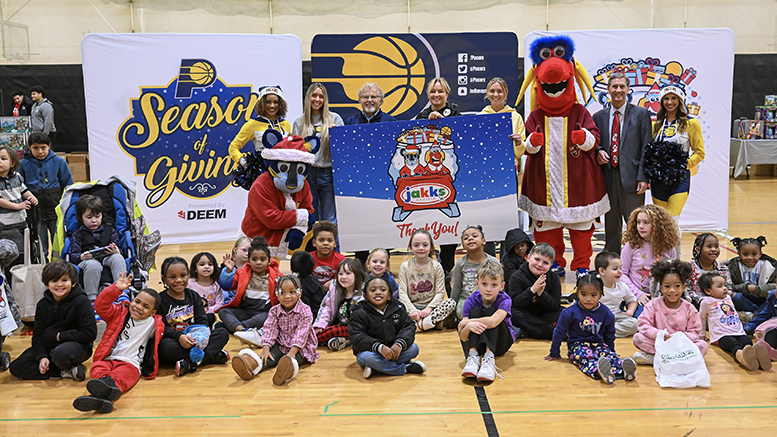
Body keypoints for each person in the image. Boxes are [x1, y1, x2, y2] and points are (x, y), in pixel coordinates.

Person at [72, 274, 164, 413]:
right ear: (132, 300)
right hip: (108, 359)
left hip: (130, 364)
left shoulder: (153, 324)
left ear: (153, 312)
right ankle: (105, 397)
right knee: (96, 368)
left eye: (145, 306)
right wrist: (115, 289)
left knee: (122, 378)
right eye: (137, 301)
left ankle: (100, 397)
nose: (139, 307)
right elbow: (100, 306)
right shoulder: (119, 313)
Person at [593, 72, 652, 254]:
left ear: (628, 90)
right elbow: (595, 143)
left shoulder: (641, 114)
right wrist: (598, 151)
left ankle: (639, 257)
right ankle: (612, 258)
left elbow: (647, 147)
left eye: (622, 86)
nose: (618, 90)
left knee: (636, 222)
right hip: (608, 177)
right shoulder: (598, 117)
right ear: (608, 90)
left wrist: (643, 177)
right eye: (614, 86)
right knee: (611, 223)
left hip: (633, 177)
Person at [9, 260, 95, 380]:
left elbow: (90, 333)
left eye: (64, 280)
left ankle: (62, 366)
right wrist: (42, 357)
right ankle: (65, 371)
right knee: (16, 367)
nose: (59, 284)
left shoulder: (82, 302)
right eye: (54, 281)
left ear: (73, 283)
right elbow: (38, 335)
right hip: (50, 346)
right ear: (47, 284)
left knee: (61, 355)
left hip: (77, 345)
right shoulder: (42, 304)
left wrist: (60, 336)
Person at [546, 273, 637, 384]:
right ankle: (600, 372)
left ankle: (625, 370)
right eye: (584, 294)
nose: (588, 299)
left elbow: (610, 335)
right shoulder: (569, 312)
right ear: (577, 293)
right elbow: (559, 333)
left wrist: (611, 351)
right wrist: (554, 353)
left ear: (601, 294)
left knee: (610, 357)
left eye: (593, 295)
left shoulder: (606, 313)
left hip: (599, 344)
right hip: (577, 345)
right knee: (587, 357)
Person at [414, 78, 461, 287]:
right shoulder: (420, 116)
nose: (436, 95)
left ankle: (448, 269)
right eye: (433, 92)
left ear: (447, 94)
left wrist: (443, 122)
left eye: (440, 91)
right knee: (429, 224)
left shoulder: (456, 113)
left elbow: (461, 136)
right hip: (427, 180)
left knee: (449, 229)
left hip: (449, 177)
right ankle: (430, 269)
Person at [649, 85, 706, 256]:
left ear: (680, 101)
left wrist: (683, 165)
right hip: (658, 181)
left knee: (672, 222)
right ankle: (663, 261)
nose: (669, 102)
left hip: (679, 180)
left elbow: (700, 152)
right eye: (666, 99)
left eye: (674, 98)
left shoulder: (691, 124)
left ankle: (677, 261)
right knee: (661, 223)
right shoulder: (655, 125)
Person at [231, 275, 319, 385]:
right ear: (277, 294)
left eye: (292, 292)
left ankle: (286, 372)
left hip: (301, 347)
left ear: (299, 293)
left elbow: (302, 333)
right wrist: (265, 348)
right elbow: (269, 329)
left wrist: (291, 353)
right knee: (268, 356)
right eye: (282, 293)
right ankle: (251, 367)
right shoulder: (274, 311)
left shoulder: (305, 311)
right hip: (282, 343)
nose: (287, 296)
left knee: (293, 360)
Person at [344, 82, 397, 264]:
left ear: (381, 101)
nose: (369, 100)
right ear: (359, 101)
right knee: (361, 226)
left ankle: (383, 265)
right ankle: (359, 266)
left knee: (384, 225)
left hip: (384, 184)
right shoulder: (349, 123)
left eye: (373, 96)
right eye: (365, 97)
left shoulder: (391, 122)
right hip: (358, 185)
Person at [157, 257, 230, 376]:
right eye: (172, 277)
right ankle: (210, 357)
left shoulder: (194, 296)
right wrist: (179, 337)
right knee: (165, 347)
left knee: (222, 333)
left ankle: (191, 362)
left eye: (183, 275)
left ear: (188, 276)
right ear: (164, 279)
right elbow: (162, 327)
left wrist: (198, 338)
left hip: (197, 339)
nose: (179, 280)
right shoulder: (160, 300)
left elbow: (202, 320)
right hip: (176, 340)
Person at [632, 259, 707, 365]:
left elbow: (694, 332)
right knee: (638, 338)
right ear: (661, 288)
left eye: (677, 286)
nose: (672, 290)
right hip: (660, 342)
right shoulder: (653, 304)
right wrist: (659, 334)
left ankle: (659, 359)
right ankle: (677, 360)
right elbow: (643, 325)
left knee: (702, 345)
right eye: (667, 286)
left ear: (683, 287)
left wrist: (680, 337)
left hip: (680, 344)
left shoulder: (689, 308)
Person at [350, 276, 426, 379]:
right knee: (366, 357)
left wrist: (399, 344)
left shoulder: (398, 308)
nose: (378, 292)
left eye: (382, 290)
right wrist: (379, 348)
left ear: (389, 295)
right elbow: (357, 337)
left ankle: (377, 369)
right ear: (365, 296)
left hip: (394, 351)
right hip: (372, 353)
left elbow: (408, 327)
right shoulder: (358, 312)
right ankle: (404, 368)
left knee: (414, 348)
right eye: (373, 290)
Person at [292, 83, 344, 223]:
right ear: (308, 97)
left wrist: (336, 136)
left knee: (329, 218)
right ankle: (312, 244)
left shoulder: (335, 119)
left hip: (329, 173)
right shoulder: (299, 122)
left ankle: (333, 245)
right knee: (310, 216)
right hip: (308, 174)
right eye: (314, 95)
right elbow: (296, 151)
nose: (317, 99)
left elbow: (343, 150)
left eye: (321, 96)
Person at [698, 272, 771, 371]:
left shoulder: (728, 298)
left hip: (738, 331)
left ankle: (758, 360)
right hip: (722, 335)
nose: (725, 288)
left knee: (747, 341)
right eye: (720, 286)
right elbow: (701, 318)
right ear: (708, 291)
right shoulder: (706, 301)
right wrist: (701, 334)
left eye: (725, 285)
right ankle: (742, 358)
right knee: (733, 344)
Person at [19, 131, 73, 258]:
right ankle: (41, 272)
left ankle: (60, 270)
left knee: (59, 244)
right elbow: (20, 187)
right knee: (40, 247)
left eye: (43, 147)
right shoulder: (23, 164)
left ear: (49, 146)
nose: (40, 151)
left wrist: (66, 207)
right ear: (29, 147)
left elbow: (68, 186)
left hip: (56, 212)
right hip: (35, 213)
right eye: (35, 148)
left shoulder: (59, 162)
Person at [459, 261, 515, 382]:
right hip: (479, 343)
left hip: (501, 343)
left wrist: (467, 322)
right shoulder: (471, 300)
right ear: (477, 284)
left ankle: (489, 359)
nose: (488, 289)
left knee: (491, 313)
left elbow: (493, 322)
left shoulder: (505, 299)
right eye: (484, 284)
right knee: (475, 311)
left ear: (502, 286)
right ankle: (473, 357)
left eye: (494, 285)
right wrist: (468, 327)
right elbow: (463, 338)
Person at [218, 236, 281, 344]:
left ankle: (237, 327)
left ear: (269, 261)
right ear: (249, 261)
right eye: (254, 259)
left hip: (263, 312)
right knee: (223, 311)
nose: (258, 262)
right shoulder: (242, 273)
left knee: (270, 316)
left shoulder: (276, 276)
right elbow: (226, 286)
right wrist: (229, 272)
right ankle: (242, 330)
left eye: (262, 259)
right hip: (246, 311)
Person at [67, 194, 126, 303]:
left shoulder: (110, 230)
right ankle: (92, 299)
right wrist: (81, 256)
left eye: (97, 216)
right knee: (93, 264)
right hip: (88, 261)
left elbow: (120, 250)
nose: (94, 220)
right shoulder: (78, 234)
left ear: (102, 215)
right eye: (89, 217)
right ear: (81, 217)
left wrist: (117, 251)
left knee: (118, 257)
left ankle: (121, 291)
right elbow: (73, 256)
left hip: (107, 257)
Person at [620, 205, 678, 315]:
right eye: (638, 222)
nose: (640, 226)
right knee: (644, 320)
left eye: (646, 223)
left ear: (658, 226)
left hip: (662, 296)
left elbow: (672, 274)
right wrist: (637, 294)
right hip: (637, 297)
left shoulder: (668, 247)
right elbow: (621, 274)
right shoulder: (631, 246)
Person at [397, 229, 456, 331]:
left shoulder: (437, 266)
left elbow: (440, 293)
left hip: (431, 308)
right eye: (416, 245)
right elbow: (402, 293)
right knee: (395, 306)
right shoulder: (405, 266)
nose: (421, 248)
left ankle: (419, 324)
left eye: (425, 245)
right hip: (411, 307)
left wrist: (429, 308)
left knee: (451, 303)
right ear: (410, 247)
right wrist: (412, 311)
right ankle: (431, 323)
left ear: (431, 247)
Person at [507, 242, 562, 339]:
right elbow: (514, 303)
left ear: (550, 266)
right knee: (512, 312)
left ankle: (530, 331)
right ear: (527, 258)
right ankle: (550, 332)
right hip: (525, 315)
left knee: (565, 311)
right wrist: (532, 291)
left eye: (545, 263)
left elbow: (555, 305)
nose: (540, 265)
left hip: (544, 315)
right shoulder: (516, 276)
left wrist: (541, 294)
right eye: (536, 259)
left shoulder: (554, 278)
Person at [228, 85, 291, 167]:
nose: (272, 106)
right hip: (263, 172)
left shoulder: (285, 124)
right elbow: (233, 147)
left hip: (284, 172)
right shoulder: (253, 124)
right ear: (262, 103)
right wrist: (244, 163)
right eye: (268, 102)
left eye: (276, 102)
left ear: (281, 104)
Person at [0, 144, 38, 269]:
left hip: (21, 223)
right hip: (4, 226)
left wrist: (31, 197)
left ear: (12, 163)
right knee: (10, 255)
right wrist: (17, 206)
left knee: (23, 254)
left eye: (3, 159)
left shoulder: (17, 176)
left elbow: (24, 191)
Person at [313, 259, 365, 351]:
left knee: (333, 331)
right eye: (340, 274)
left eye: (348, 273)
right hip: (339, 324)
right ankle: (346, 341)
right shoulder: (334, 288)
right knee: (315, 331)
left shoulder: (363, 294)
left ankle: (311, 342)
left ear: (357, 276)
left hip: (356, 329)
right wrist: (320, 325)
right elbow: (326, 308)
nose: (343, 277)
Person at [450, 225, 499, 320]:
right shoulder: (461, 263)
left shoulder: (493, 262)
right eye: (466, 238)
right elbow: (457, 287)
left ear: (483, 241)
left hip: (488, 298)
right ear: (463, 245)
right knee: (464, 311)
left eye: (475, 236)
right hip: (467, 299)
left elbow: (499, 285)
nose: (470, 238)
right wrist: (453, 307)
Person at [726, 236, 776, 318]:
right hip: (744, 299)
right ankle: (759, 313)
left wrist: (757, 289)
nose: (750, 257)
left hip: (763, 298)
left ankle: (753, 315)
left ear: (760, 254)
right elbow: (729, 286)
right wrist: (746, 288)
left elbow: (775, 286)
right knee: (733, 295)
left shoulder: (771, 266)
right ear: (739, 254)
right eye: (745, 254)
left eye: (754, 254)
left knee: (773, 297)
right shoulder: (733, 266)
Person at [595, 251, 638, 337]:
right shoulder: (593, 285)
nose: (620, 272)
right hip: (595, 316)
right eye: (615, 269)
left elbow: (633, 300)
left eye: (620, 268)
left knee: (635, 324)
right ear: (602, 271)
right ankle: (601, 330)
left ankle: (600, 331)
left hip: (615, 317)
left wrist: (629, 312)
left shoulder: (622, 286)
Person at [687, 233, 732, 308]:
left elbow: (729, 288)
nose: (714, 249)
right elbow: (687, 288)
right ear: (698, 250)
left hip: (720, 302)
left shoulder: (723, 269)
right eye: (709, 246)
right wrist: (701, 300)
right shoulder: (689, 267)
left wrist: (720, 299)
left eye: (716, 246)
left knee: (737, 297)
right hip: (697, 302)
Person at [187, 252, 224, 326]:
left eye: (210, 264)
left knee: (211, 319)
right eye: (202, 264)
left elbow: (220, 304)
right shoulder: (189, 284)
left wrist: (208, 310)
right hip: (192, 314)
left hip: (209, 315)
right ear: (195, 269)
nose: (207, 267)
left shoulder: (217, 285)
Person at [743, 290, 777, 361]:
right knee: (769, 336)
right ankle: (762, 356)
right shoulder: (772, 297)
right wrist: (747, 329)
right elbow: (763, 315)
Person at [310, 221, 345, 287]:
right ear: (314, 243)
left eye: (329, 240)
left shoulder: (341, 260)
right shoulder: (308, 259)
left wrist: (334, 282)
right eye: (321, 240)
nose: (325, 243)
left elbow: (347, 277)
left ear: (335, 243)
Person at [290, 250, 325, 318]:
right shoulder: (315, 281)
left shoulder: (300, 287)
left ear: (292, 271)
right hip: (322, 315)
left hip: (310, 319)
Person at [501, 228, 533, 294]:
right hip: (516, 290)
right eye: (516, 247)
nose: (520, 248)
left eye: (522, 245)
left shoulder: (533, 256)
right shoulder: (507, 261)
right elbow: (513, 279)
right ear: (512, 248)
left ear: (527, 245)